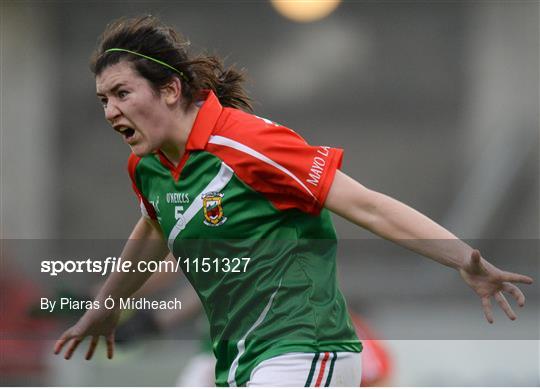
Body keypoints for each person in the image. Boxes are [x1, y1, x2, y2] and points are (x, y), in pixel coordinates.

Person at [54, 15, 533, 387]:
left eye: (121, 93)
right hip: (240, 360)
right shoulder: (149, 167)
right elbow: (154, 232)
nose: (111, 110)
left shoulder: (249, 143)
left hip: (306, 347)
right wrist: (106, 308)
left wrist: (461, 260)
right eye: (102, 100)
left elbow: (366, 204)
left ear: (171, 90)